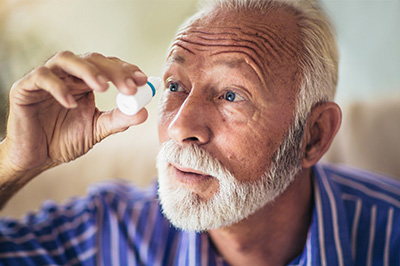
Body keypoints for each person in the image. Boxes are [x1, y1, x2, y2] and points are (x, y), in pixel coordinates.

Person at [0, 0, 399, 265]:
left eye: (230, 95)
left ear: (313, 136)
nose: (179, 126)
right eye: (175, 86)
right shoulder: (109, 232)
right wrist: (15, 161)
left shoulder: (389, 237)